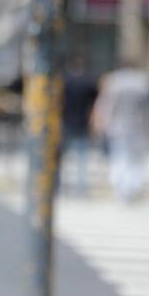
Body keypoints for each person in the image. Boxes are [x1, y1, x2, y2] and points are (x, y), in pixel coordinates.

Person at [92, 61, 149, 203]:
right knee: (136, 159)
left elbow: (106, 105)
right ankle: (134, 187)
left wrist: (101, 124)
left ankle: (122, 189)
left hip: (118, 126)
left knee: (120, 157)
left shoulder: (114, 81)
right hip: (139, 126)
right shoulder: (143, 82)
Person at [62, 55, 98, 196]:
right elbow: (94, 103)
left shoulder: (65, 81)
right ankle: (81, 188)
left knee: (62, 157)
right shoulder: (88, 82)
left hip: (66, 121)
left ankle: (60, 186)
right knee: (82, 158)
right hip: (83, 122)